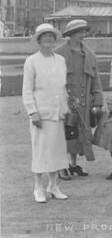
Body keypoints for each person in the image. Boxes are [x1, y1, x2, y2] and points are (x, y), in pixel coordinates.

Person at [22, 23, 70, 202]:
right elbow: (27, 90)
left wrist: (66, 109)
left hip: (58, 113)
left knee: (57, 150)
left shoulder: (60, 60)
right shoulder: (31, 61)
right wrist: (33, 112)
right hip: (40, 114)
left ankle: (53, 185)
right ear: (39, 40)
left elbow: (62, 88)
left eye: (51, 36)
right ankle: (38, 188)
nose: (48, 39)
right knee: (41, 150)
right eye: (44, 36)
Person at [55, 19, 103, 180]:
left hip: (83, 103)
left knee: (79, 134)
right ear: (71, 34)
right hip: (64, 102)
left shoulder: (89, 54)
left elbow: (96, 80)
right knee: (64, 134)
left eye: (85, 31)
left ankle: (72, 164)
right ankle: (60, 166)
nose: (84, 34)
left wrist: (97, 102)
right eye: (80, 32)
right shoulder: (59, 53)